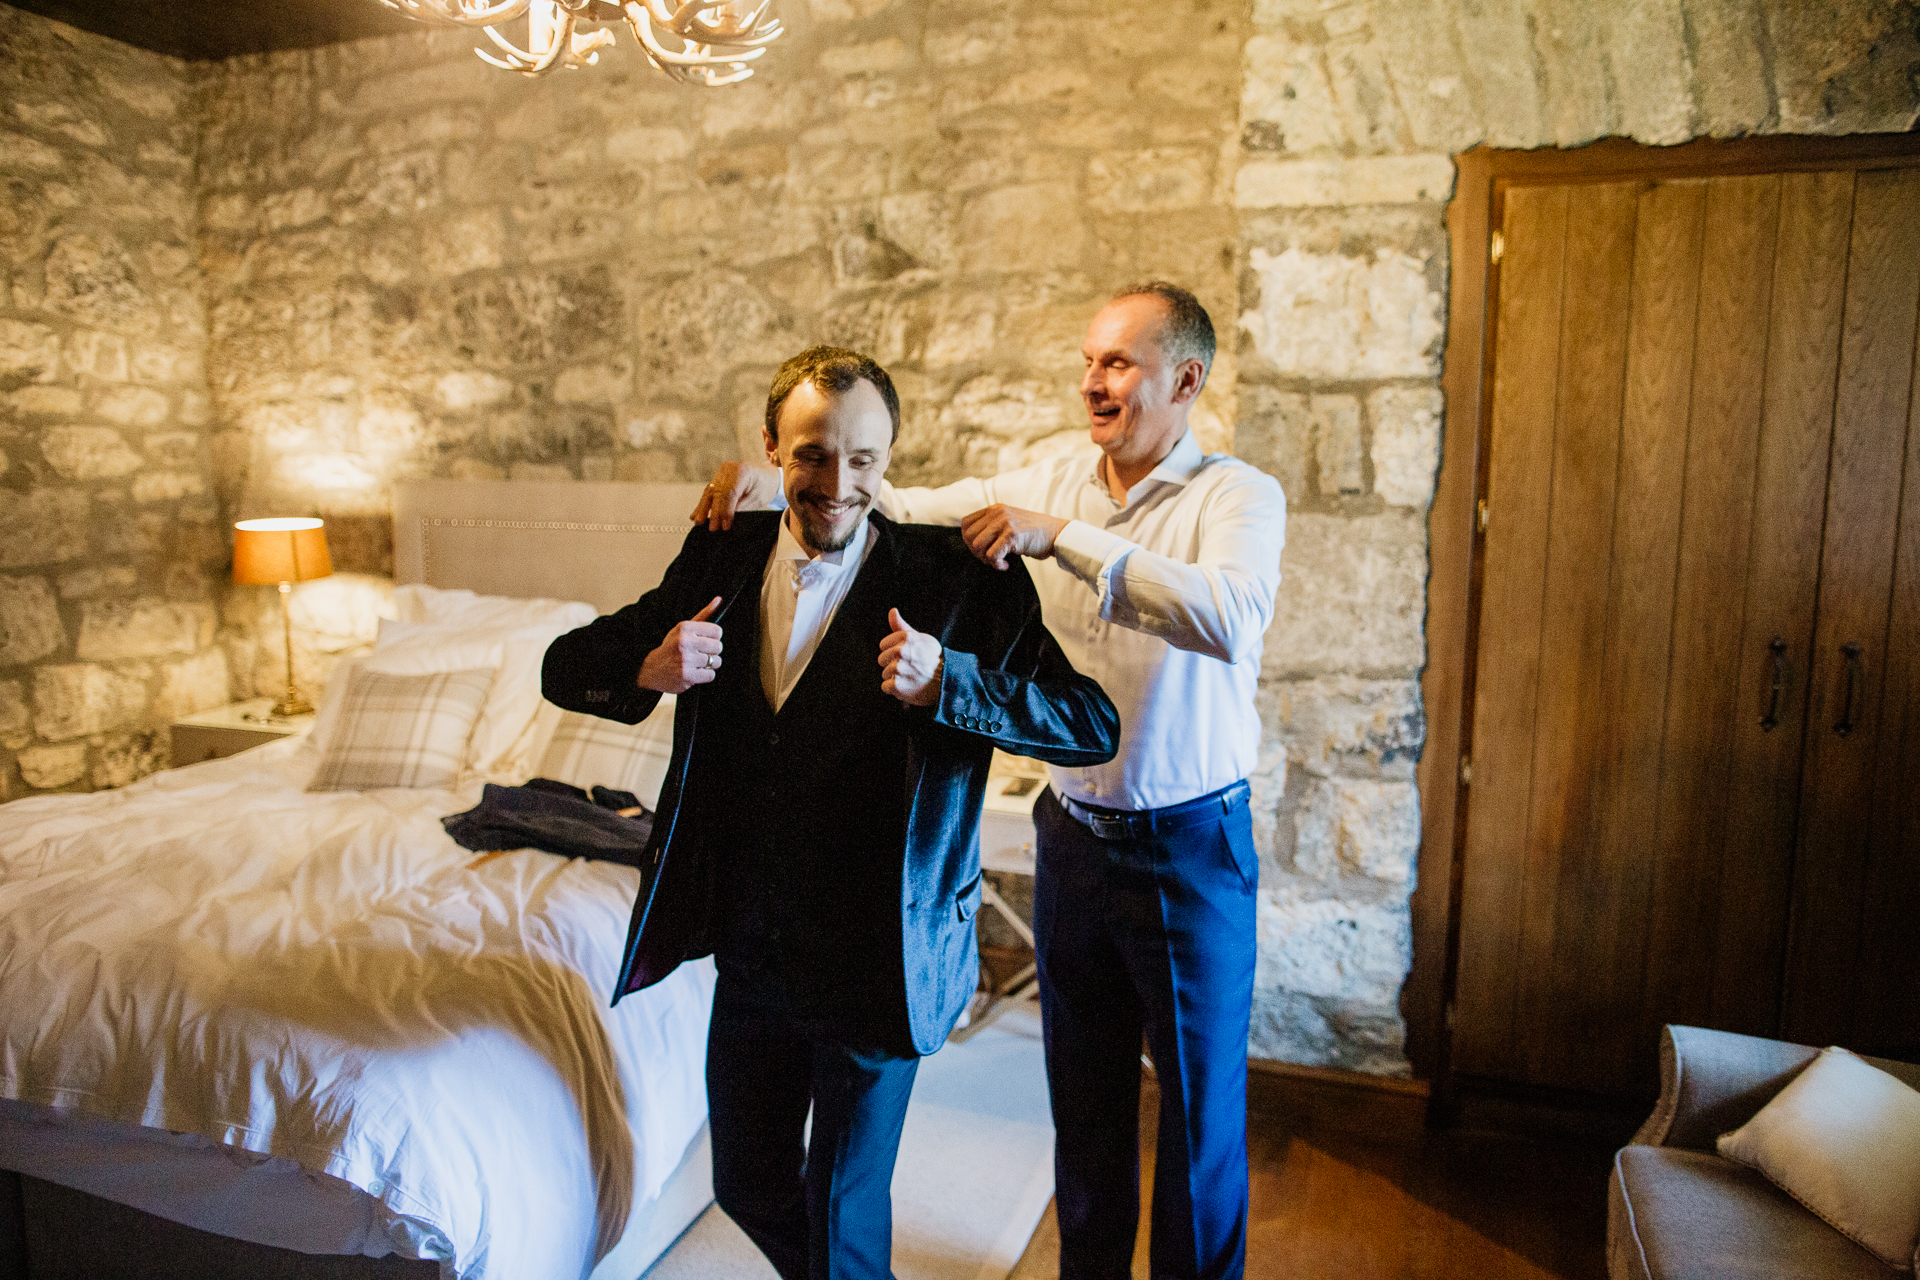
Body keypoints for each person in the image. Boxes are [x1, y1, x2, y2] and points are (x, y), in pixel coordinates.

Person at [694, 283, 1286, 1280]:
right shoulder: (1053, 467)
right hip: (1073, 836)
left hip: (1191, 846)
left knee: (1196, 1126)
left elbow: (1229, 618)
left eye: (1120, 364)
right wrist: (760, 477)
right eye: (1091, 359)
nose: (1093, 381)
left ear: (1186, 378)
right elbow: (891, 504)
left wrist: (1067, 537)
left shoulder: (1236, 495)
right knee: (1085, 1109)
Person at [542, 346, 1120, 1280]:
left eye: (863, 459)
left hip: (879, 964)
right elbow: (563, 663)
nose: (838, 484)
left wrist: (951, 685)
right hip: (754, 952)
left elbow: (1090, 724)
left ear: (890, 458)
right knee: (749, 1185)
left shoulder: (958, 579)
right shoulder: (722, 551)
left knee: (842, 1216)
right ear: (773, 447)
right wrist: (648, 671)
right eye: (812, 455)